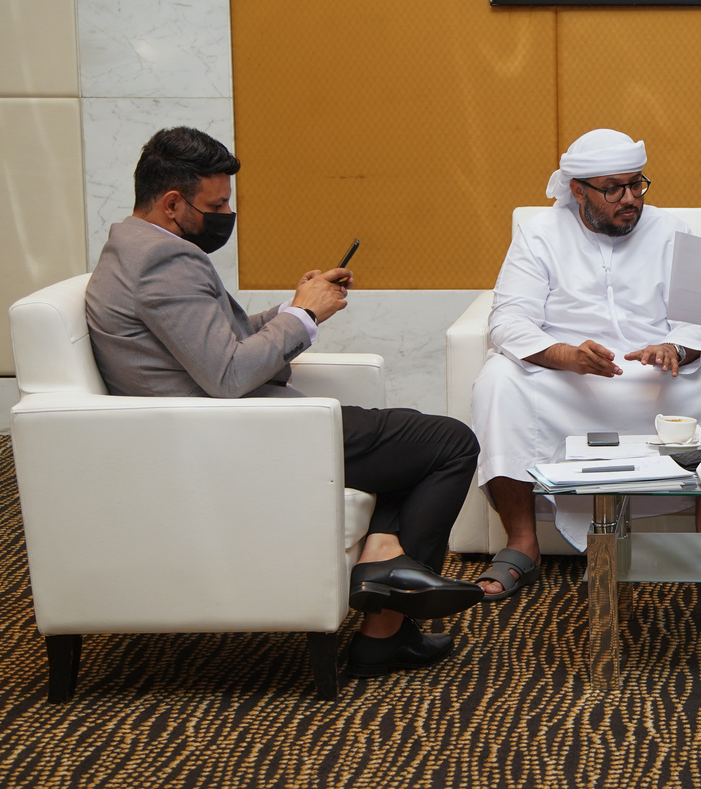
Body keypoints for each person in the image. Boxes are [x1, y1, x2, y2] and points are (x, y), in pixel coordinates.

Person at [85, 127, 484, 677]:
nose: (227, 215)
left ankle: (385, 562)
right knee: (449, 442)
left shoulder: (131, 248)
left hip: (230, 421)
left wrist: (294, 307)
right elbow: (228, 374)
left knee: (410, 438)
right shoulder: (163, 261)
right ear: (172, 203)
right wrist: (305, 315)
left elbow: (210, 344)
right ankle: (386, 622)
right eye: (216, 206)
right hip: (237, 432)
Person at [471, 129, 701, 599]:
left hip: (654, 380)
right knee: (498, 380)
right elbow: (507, 320)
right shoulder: (540, 234)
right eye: (613, 189)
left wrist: (674, 348)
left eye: (636, 184)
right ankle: (522, 544)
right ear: (578, 190)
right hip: (568, 382)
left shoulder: (672, 230)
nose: (630, 199)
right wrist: (565, 355)